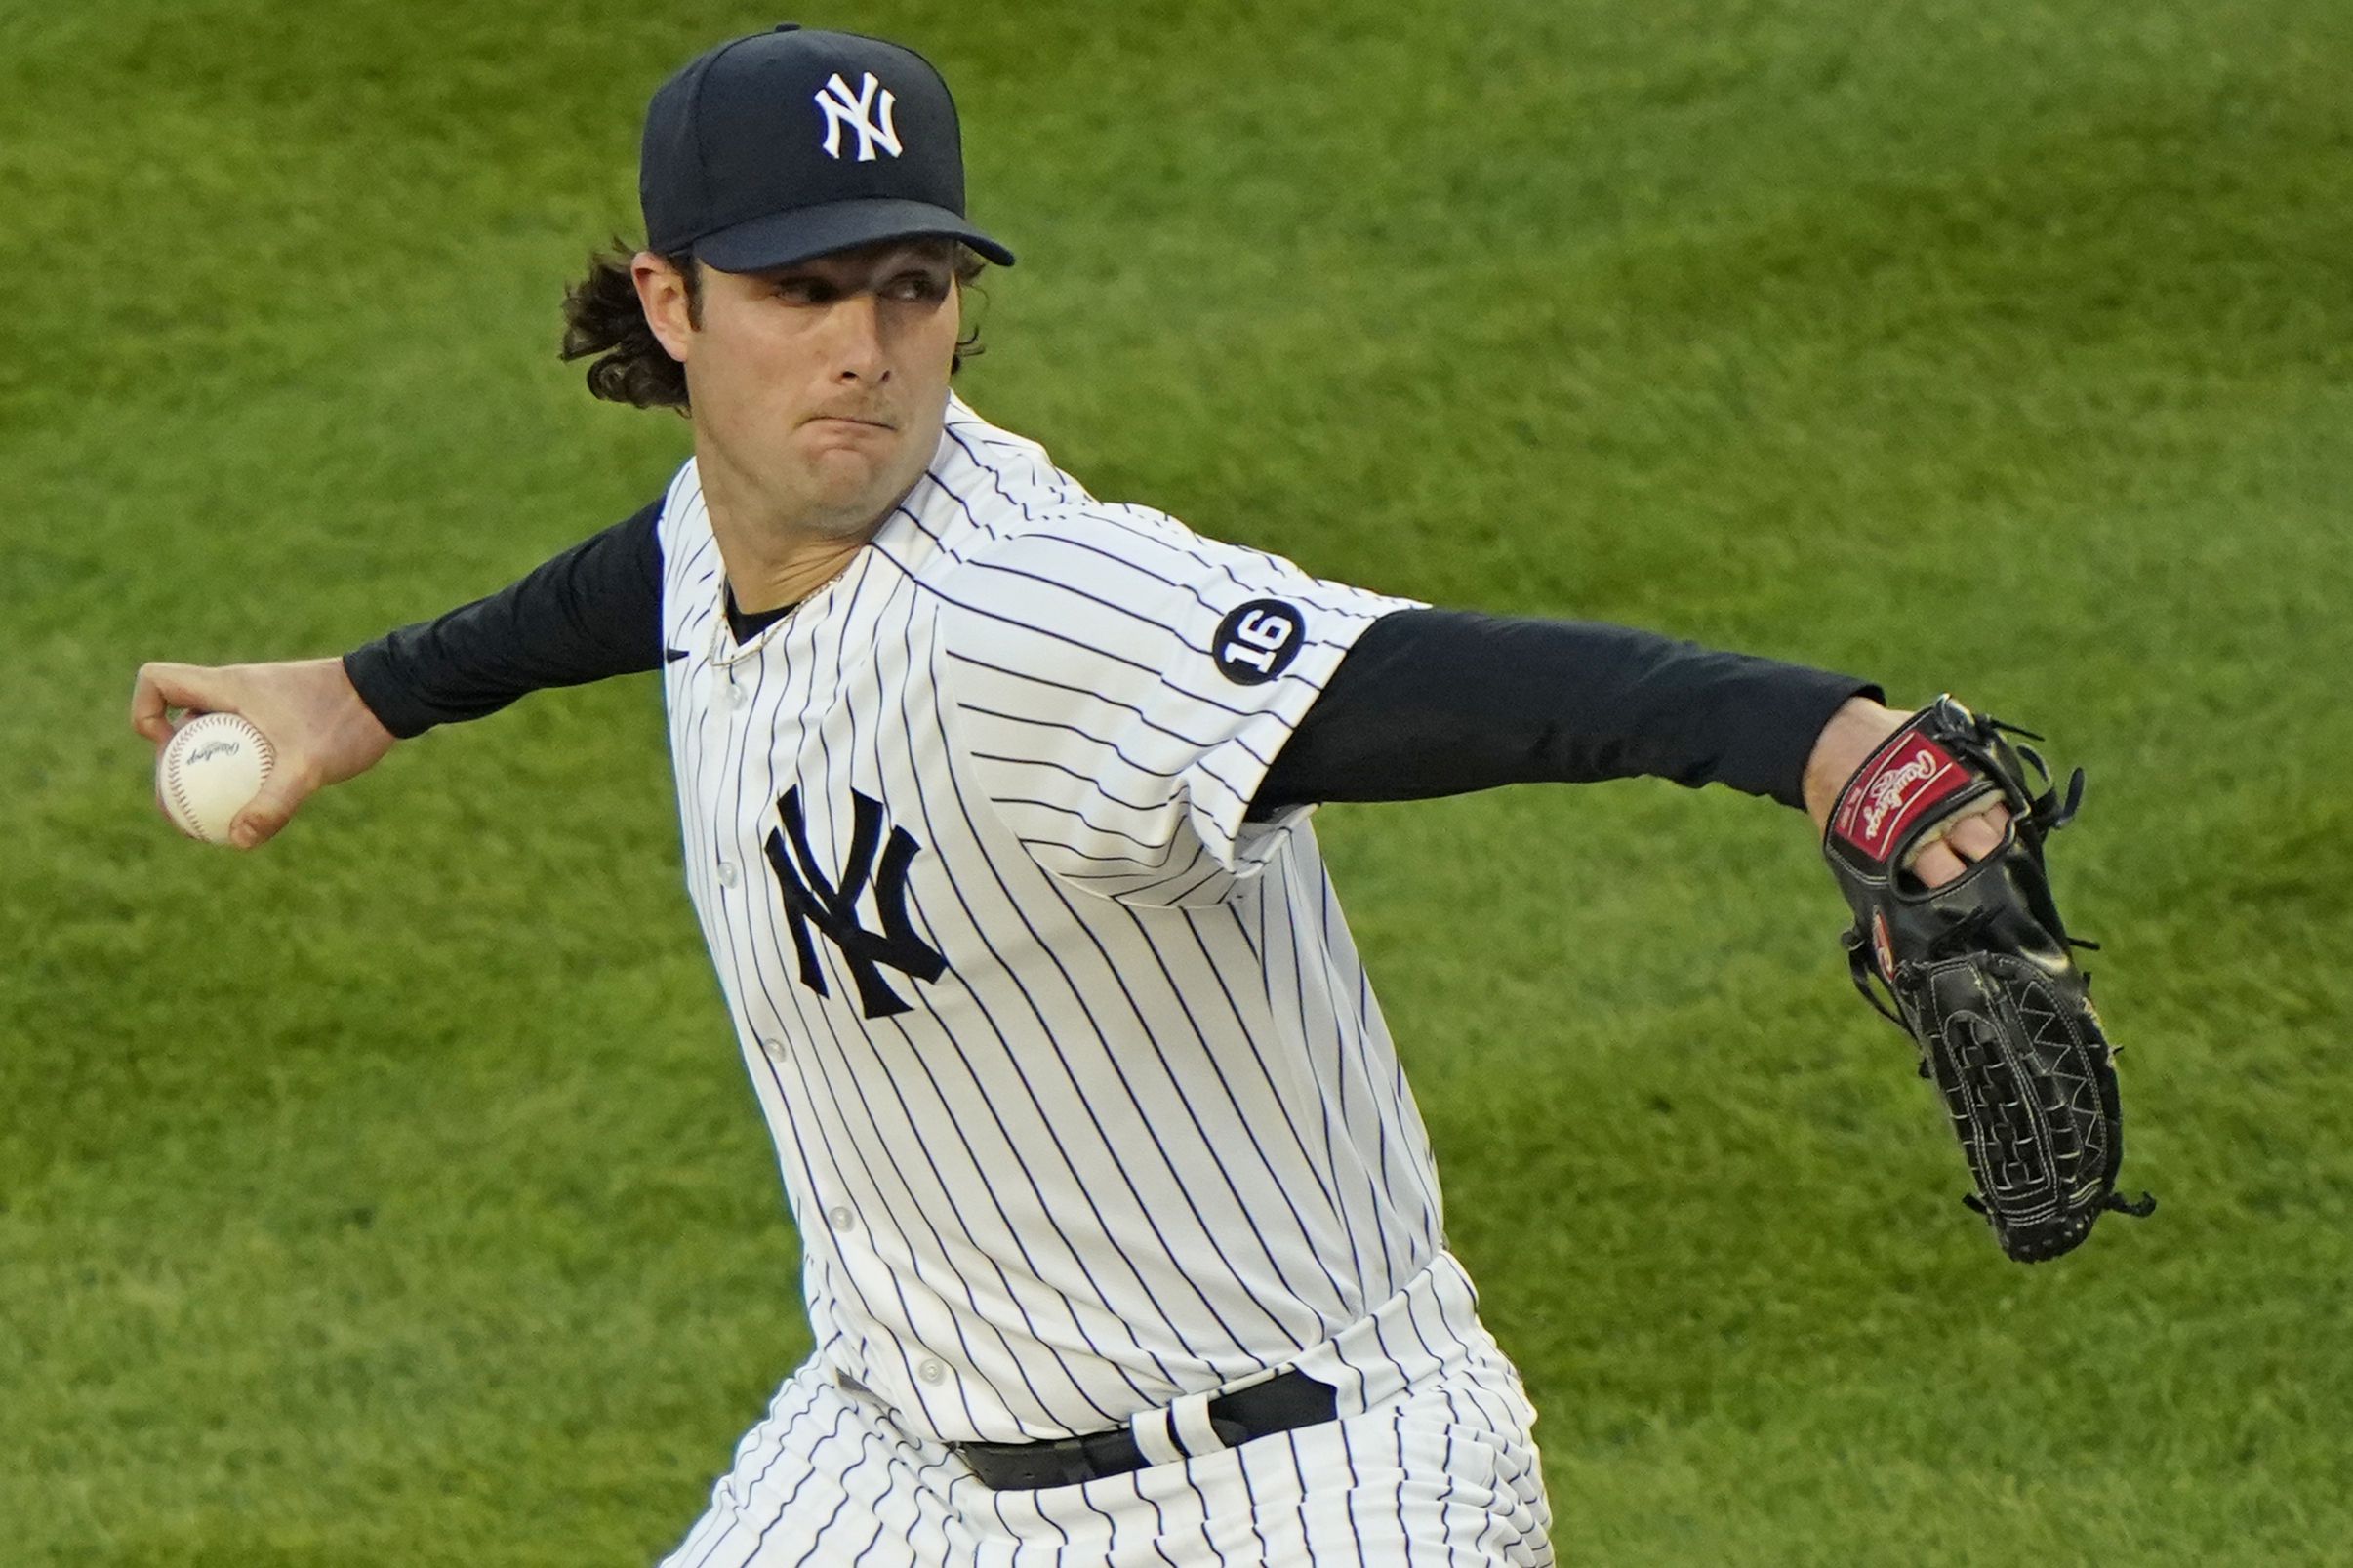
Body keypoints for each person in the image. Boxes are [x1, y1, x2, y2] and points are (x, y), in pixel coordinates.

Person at [130, 24, 2007, 1567]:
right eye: (800, 290)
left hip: (1289, 1491)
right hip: (892, 1462)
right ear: (670, 304)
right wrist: (366, 694)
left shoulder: (1043, 610)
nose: (865, 347)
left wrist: (1828, 742)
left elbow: (1440, 686)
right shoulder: (740, 522)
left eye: (913, 285)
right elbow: (651, 574)